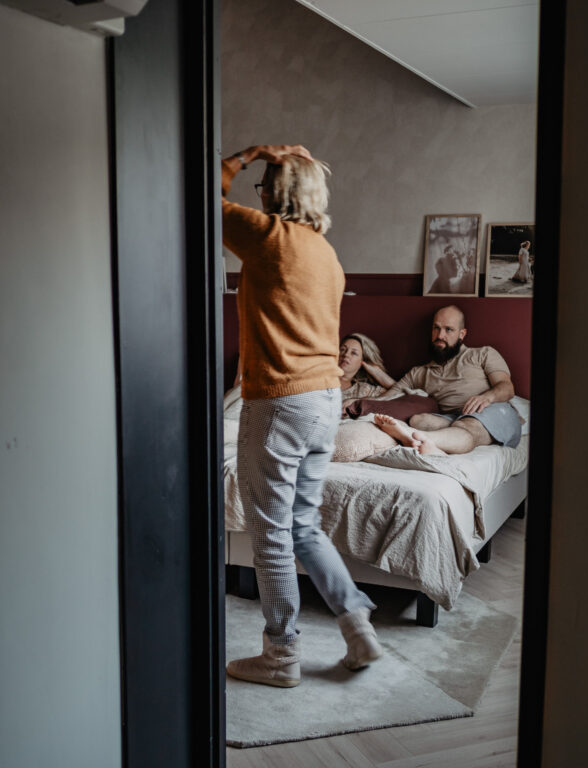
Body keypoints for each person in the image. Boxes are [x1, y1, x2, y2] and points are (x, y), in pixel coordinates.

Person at [221, 143, 382, 688]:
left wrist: (247, 154)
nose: (259, 193)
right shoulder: (326, 254)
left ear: (274, 192)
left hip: (279, 402)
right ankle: (357, 624)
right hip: (325, 400)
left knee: (270, 533)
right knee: (303, 525)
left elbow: (198, 195)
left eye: (263, 185)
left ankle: (281, 655)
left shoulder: (269, 236)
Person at [364, 305, 521, 456]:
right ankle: (434, 446)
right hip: (453, 418)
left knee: (465, 425)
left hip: (492, 411)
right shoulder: (419, 372)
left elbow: (507, 388)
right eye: (436, 328)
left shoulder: (483, 354)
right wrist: (369, 383)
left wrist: (487, 397)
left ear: (462, 334)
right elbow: (391, 394)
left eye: (448, 329)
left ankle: (414, 437)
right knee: (418, 420)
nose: (440, 336)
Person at [338, 332, 396, 412]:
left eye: (354, 353)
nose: (346, 354)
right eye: (342, 349)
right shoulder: (322, 377)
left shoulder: (364, 390)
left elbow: (404, 394)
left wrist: (378, 373)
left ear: (362, 361)